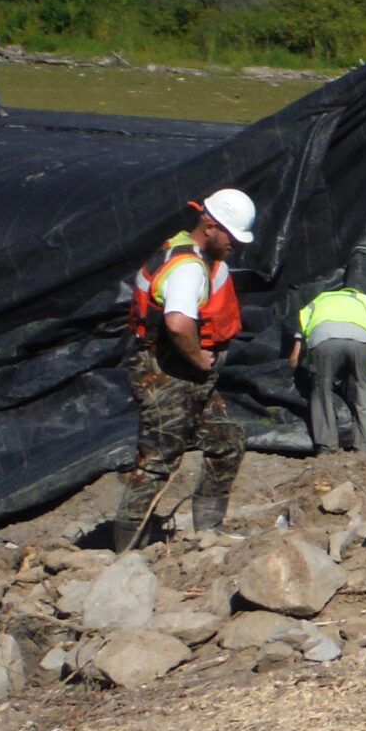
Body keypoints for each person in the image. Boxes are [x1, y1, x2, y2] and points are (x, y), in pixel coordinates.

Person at [106, 189, 258, 547]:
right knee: (159, 458)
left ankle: (209, 532)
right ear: (210, 227)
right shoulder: (188, 268)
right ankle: (127, 549)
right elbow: (177, 323)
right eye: (231, 237)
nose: (235, 245)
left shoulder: (183, 250)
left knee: (227, 441)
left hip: (187, 375)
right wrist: (197, 358)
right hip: (168, 373)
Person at [291, 280, 366, 456]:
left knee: (321, 391)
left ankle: (327, 447)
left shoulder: (316, 304)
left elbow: (295, 355)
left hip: (324, 339)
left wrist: (293, 372)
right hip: (362, 340)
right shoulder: (365, 303)